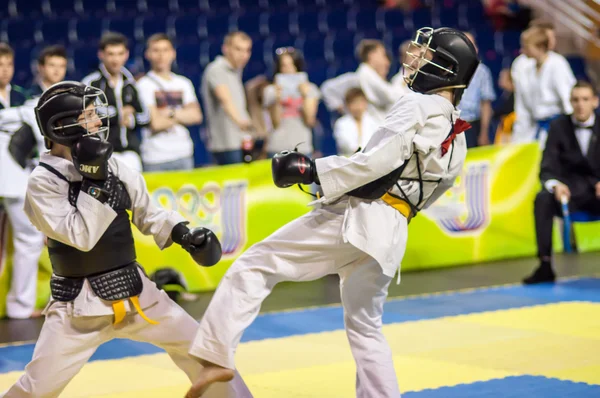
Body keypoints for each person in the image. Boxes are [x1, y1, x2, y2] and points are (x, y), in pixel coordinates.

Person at [185, 26, 480, 398]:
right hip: (391, 233)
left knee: (256, 264)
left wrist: (312, 171)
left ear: (446, 68)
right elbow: (431, 191)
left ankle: (214, 358)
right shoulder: (460, 133)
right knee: (365, 328)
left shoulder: (418, 105)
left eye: (427, 55)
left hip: (357, 217)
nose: (416, 60)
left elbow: (376, 161)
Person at [0, 81, 251, 397]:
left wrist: (184, 234)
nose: (97, 122)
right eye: (88, 115)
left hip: (135, 292)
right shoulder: (43, 183)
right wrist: (95, 183)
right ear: (62, 126)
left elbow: (148, 212)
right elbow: (81, 236)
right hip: (78, 306)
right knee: (37, 387)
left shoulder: (115, 164)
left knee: (206, 355)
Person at [523, 81, 600, 285]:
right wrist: (556, 184)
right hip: (570, 195)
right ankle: (545, 265)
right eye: (575, 100)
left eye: (585, 99)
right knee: (542, 199)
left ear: (595, 101)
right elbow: (547, 166)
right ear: (570, 102)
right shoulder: (558, 126)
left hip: (597, 195)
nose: (580, 105)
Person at [0, 42, 44, 319]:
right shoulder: (24, 105)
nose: (4, 71)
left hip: (16, 178)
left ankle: (20, 306)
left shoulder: (22, 96)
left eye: (8, 65)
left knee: (30, 237)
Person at [82, 32, 150, 172]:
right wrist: (122, 112)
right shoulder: (91, 83)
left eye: (120, 54)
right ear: (101, 55)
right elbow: (98, 116)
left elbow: (146, 117)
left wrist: (130, 119)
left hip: (131, 153)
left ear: (126, 55)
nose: (115, 59)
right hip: (102, 153)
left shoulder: (131, 83)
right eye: (111, 54)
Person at [136, 33, 203, 172]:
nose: (161, 55)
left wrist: (170, 113)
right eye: (156, 50)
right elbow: (156, 123)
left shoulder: (184, 83)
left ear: (173, 53)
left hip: (184, 153)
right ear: (148, 54)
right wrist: (182, 115)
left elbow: (196, 116)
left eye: (165, 50)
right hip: (155, 156)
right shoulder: (143, 85)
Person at [511, 23, 575, 146]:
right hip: (538, 126)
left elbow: (567, 99)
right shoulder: (530, 67)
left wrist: (572, 130)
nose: (523, 50)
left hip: (557, 124)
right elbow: (525, 105)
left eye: (527, 47)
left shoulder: (557, 64)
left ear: (540, 47)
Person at [201, 31, 253, 165]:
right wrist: (243, 123)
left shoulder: (235, 71)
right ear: (226, 48)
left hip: (240, 140)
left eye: (247, 50)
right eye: (238, 49)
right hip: (226, 144)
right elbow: (225, 100)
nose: (243, 55)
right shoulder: (216, 69)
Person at [263, 47, 320, 157]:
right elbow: (275, 123)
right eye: (284, 65)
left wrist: (305, 96)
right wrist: (277, 99)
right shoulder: (270, 91)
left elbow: (309, 120)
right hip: (277, 147)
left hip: (302, 147)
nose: (289, 70)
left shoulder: (310, 89)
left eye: (292, 65)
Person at [457, 32, 496, 147]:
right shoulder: (446, 70)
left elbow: (486, 104)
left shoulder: (482, 72)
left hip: (472, 125)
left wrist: (484, 133)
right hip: (451, 125)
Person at [333, 87, 379, 156]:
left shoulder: (374, 121)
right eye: (354, 103)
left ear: (365, 103)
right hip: (348, 161)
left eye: (360, 102)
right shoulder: (341, 123)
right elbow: (346, 145)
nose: (357, 106)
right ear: (347, 105)